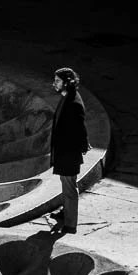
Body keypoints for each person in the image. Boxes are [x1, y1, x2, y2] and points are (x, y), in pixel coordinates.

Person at [48, 67, 89, 234]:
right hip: (64, 151)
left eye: (57, 81)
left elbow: (80, 127)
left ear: (67, 82)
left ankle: (71, 225)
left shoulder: (74, 103)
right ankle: (66, 213)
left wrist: (83, 145)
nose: (54, 83)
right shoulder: (67, 97)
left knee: (69, 187)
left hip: (68, 153)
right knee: (66, 185)